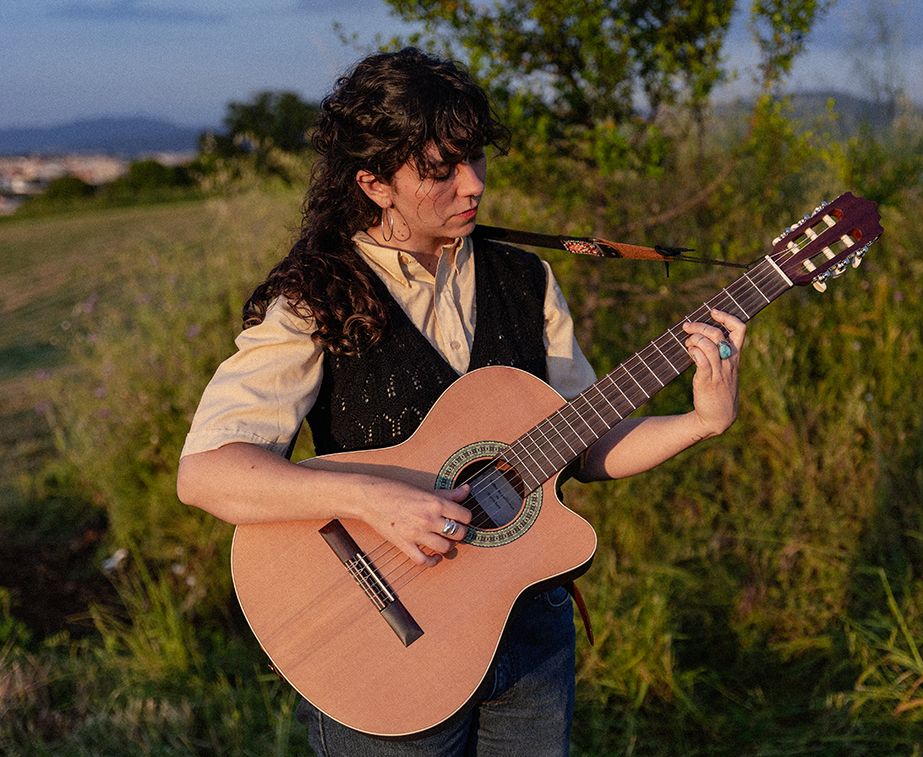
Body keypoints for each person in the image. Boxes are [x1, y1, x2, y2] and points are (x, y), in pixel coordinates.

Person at [176, 47, 745, 756]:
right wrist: (372, 499)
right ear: (374, 181)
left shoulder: (525, 278)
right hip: (387, 647)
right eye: (442, 169)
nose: (473, 185)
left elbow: (587, 445)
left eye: (476, 159)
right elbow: (206, 472)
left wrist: (700, 421)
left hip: (530, 633)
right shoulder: (315, 298)